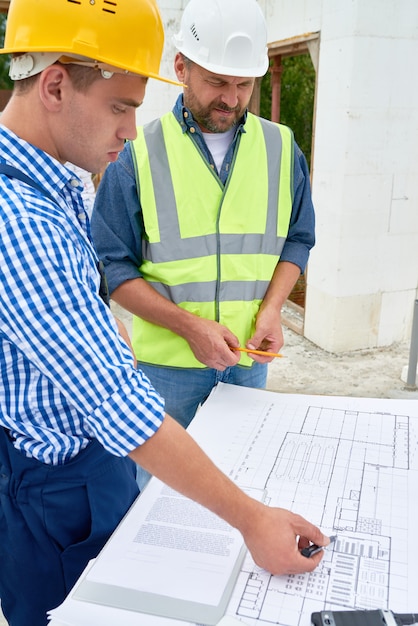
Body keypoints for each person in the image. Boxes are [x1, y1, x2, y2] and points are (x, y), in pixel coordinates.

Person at [0, 0, 329, 625]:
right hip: (63, 473)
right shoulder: (23, 218)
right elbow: (119, 403)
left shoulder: (57, 182)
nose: (129, 129)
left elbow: (78, 287)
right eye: (121, 106)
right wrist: (255, 521)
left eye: (243, 82)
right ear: (55, 85)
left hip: (91, 456)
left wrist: (99, 330)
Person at [91, 0, 316, 433]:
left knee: (237, 484)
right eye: (217, 81)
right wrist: (189, 327)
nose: (231, 99)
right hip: (166, 371)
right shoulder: (135, 156)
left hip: (248, 365)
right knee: (160, 494)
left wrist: (271, 310)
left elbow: (298, 239)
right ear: (181, 66)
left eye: (244, 84)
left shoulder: (283, 149)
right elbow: (110, 267)